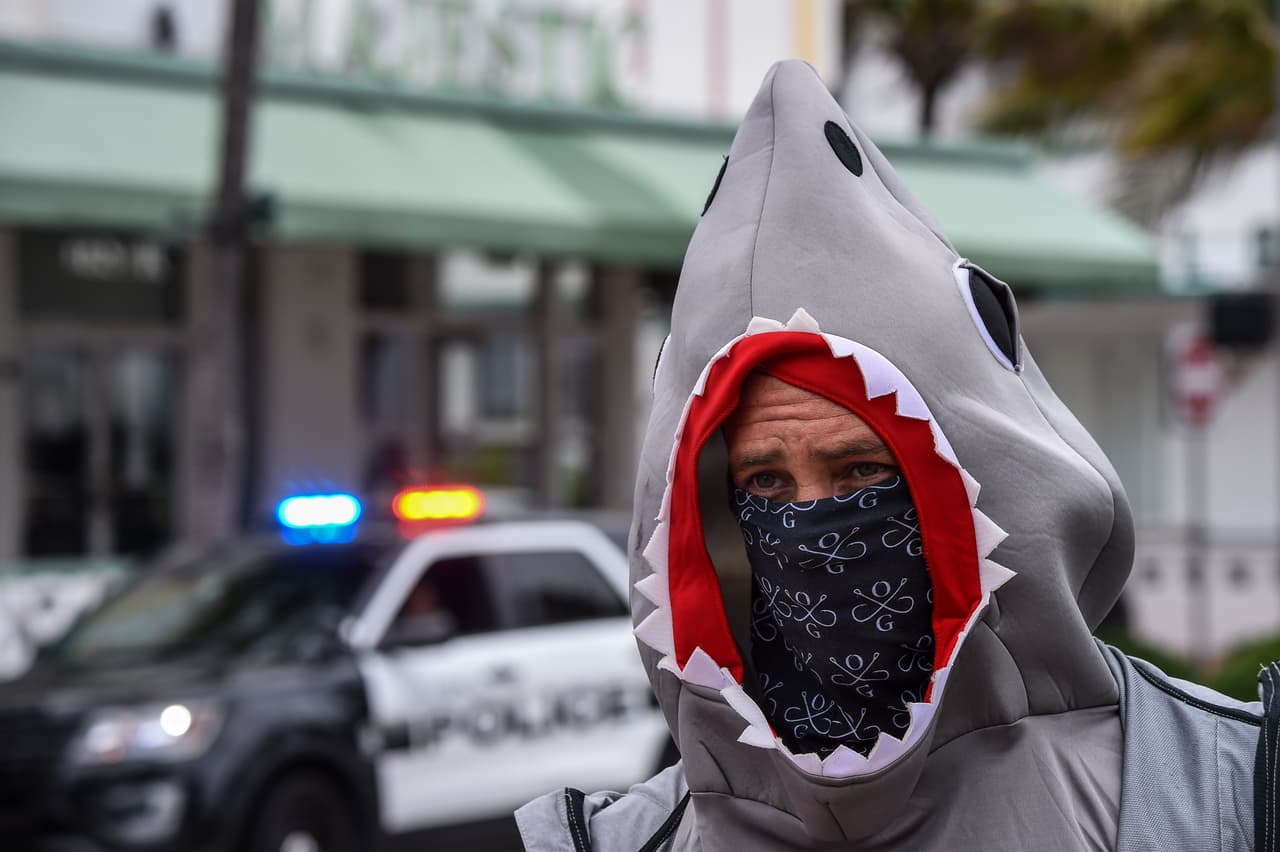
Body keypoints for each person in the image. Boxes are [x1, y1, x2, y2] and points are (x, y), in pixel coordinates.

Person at [516, 60, 1279, 851]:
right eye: (767, 482)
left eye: (862, 472)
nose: (814, 523)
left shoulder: (1223, 793)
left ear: (971, 479)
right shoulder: (624, 842)